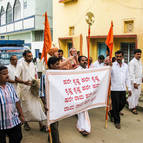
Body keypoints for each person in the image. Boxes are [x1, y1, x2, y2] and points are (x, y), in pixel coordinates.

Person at [16, 50, 46, 131]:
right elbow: (16, 78)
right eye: (29, 56)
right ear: (24, 57)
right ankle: (25, 123)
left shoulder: (32, 64)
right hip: (24, 90)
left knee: (37, 105)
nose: (31, 57)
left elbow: (34, 75)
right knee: (27, 107)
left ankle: (41, 124)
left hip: (33, 89)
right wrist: (24, 82)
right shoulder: (20, 65)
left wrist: (36, 82)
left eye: (31, 56)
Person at [0, 65, 24, 143]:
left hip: (13, 121)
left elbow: (16, 101)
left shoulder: (10, 86)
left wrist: (21, 114)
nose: (7, 76)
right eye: (4, 74)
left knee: (17, 138)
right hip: (1, 124)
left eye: (7, 73)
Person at [40, 56, 61, 143]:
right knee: (54, 125)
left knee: (55, 124)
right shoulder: (44, 77)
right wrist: (45, 104)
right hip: (50, 105)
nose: (59, 66)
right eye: (57, 64)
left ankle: (50, 139)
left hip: (58, 104)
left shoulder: (59, 75)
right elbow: (41, 92)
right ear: (51, 65)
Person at [108, 50, 132, 129]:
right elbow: (108, 75)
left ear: (122, 57)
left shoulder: (126, 66)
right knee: (116, 105)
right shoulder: (112, 65)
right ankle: (117, 121)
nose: (118, 58)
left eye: (120, 56)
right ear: (115, 57)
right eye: (117, 57)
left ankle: (111, 112)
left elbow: (128, 77)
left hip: (122, 88)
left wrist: (129, 88)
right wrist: (109, 67)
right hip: (114, 89)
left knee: (123, 103)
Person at [76, 56, 91, 136]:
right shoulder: (76, 71)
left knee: (83, 111)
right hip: (79, 95)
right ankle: (83, 128)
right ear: (79, 62)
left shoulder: (88, 70)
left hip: (87, 95)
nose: (85, 62)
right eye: (82, 60)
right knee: (82, 112)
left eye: (86, 60)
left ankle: (81, 126)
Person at [127, 49, 143, 114]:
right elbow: (131, 73)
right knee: (133, 95)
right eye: (138, 54)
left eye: (140, 54)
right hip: (134, 82)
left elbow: (141, 71)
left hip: (139, 81)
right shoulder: (132, 62)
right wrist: (134, 83)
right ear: (134, 54)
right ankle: (133, 108)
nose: (139, 55)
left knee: (137, 95)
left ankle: (132, 104)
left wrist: (142, 78)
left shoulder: (140, 61)